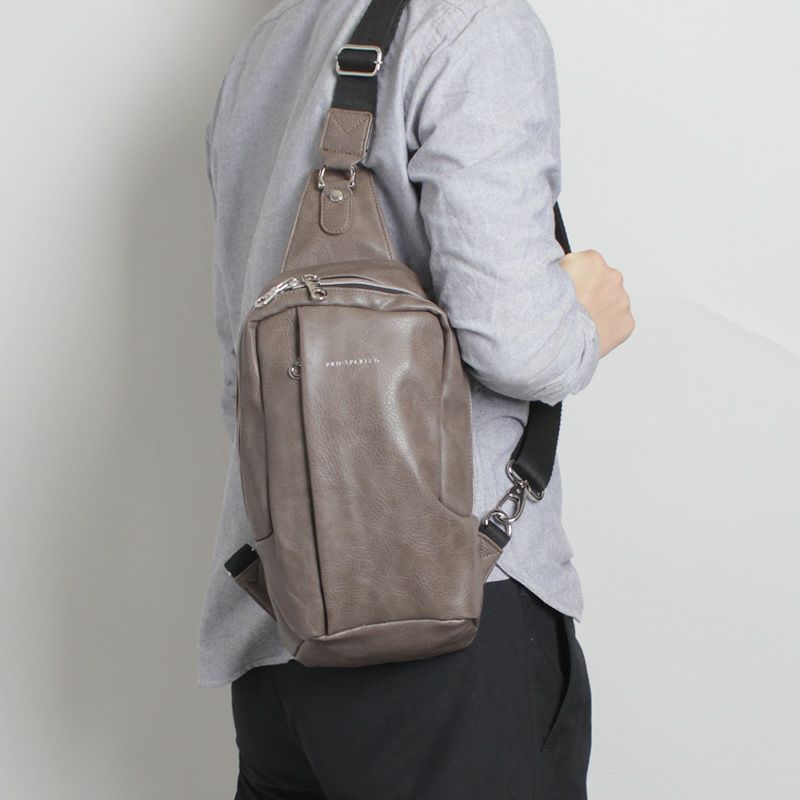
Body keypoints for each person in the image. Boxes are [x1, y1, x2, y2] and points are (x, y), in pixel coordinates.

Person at [198, 0, 634, 797]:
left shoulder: (268, 46)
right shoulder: (472, 24)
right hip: (443, 620)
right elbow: (517, 343)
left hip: (279, 629)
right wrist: (585, 322)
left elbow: (250, 350)